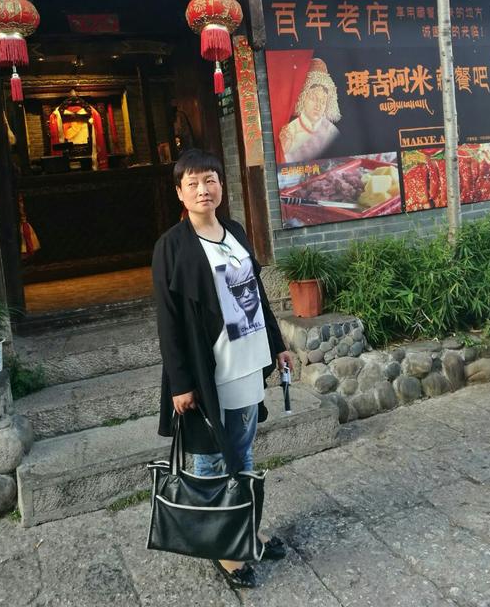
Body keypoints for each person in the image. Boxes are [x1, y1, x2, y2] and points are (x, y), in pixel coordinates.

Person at [152, 148, 293, 589]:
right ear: (180, 192)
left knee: (243, 452)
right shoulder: (171, 246)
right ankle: (223, 547)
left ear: (221, 185)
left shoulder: (234, 231)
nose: (203, 190)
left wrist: (278, 345)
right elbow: (168, 319)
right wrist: (181, 382)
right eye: (192, 183)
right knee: (211, 461)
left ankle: (245, 530)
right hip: (208, 373)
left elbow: (256, 293)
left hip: (248, 361)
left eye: (209, 180)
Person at [279, 57, 341, 163]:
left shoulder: (331, 131)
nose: (318, 106)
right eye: (313, 98)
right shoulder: (289, 130)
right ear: (302, 98)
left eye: (323, 101)